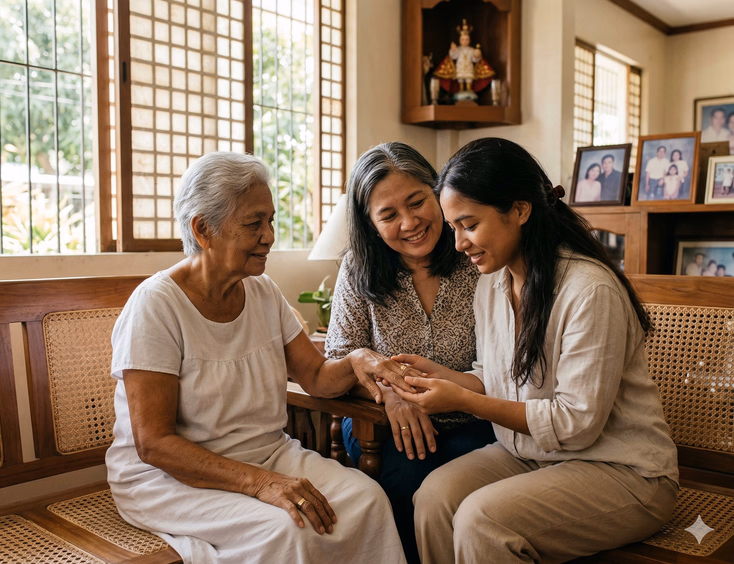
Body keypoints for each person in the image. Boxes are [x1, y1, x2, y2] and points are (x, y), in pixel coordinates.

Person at [106, 152, 411, 564]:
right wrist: (261, 483)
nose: (269, 236)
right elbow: (155, 445)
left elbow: (317, 376)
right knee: (291, 528)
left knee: (367, 499)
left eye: (270, 220)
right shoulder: (156, 306)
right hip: (169, 479)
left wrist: (357, 360)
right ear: (203, 229)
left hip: (266, 454)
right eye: (254, 223)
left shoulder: (262, 291)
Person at [389, 138, 679, 563]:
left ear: (520, 210)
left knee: (481, 519)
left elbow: (577, 422)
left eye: (469, 224)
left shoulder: (589, 289)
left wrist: (465, 400)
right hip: (532, 454)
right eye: (453, 227)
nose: (458, 243)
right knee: (433, 497)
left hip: (623, 470)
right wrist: (442, 377)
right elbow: (499, 377)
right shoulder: (492, 283)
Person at [325, 142, 496, 564]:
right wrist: (391, 393)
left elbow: (508, 363)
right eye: (388, 215)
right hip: (382, 420)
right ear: (370, 224)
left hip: (474, 415)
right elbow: (338, 359)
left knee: (469, 493)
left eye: (418, 202)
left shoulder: (477, 257)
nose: (410, 222)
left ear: (438, 192)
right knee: (406, 482)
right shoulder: (357, 268)